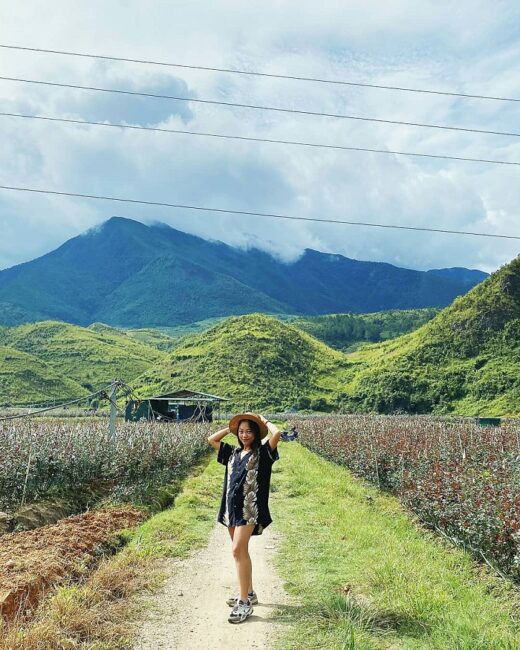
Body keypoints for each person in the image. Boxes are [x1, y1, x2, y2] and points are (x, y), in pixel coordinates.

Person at [207, 412, 281, 624]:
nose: (245, 435)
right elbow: (211, 440)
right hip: (230, 508)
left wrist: (264, 421)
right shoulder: (232, 452)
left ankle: (244, 602)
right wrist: (230, 428)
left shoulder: (263, 452)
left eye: (249, 431)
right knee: (241, 552)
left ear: (256, 433)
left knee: (237, 550)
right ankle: (249, 592)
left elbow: (277, 434)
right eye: (241, 431)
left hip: (250, 510)